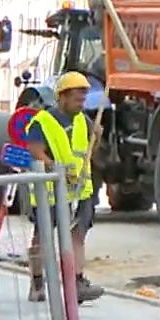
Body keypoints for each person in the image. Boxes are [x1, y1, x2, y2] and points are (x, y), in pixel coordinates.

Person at [23, 72, 102, 303]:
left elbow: (87, 153)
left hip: (80, 189)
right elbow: (35, 151)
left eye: (83, 99)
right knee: (42, 238)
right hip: (50, 192)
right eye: (77, 99)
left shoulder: (83, 121)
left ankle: (76, 282)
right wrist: (55, 168)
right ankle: (37, 283)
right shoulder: (43, 122)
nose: (81, 104)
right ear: (63, 97)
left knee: (78, 234)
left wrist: (95, 139)